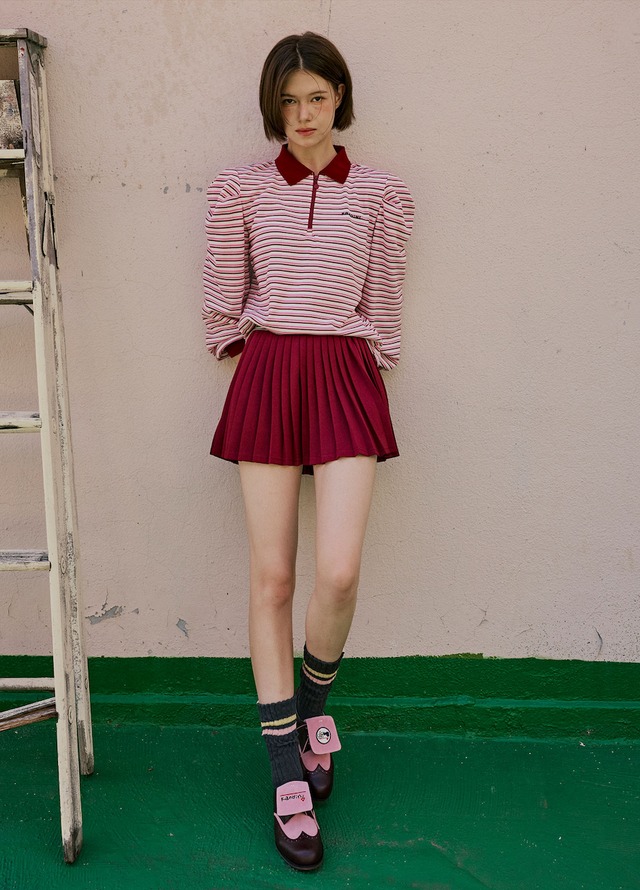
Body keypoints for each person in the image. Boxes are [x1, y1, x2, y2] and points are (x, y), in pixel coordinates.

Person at [202, 31, 414, 872]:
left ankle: (315, 703)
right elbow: (222, 297)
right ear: (273, 107)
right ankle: (286, 769)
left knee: (338, 572)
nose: (303, 115)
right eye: (288, 101)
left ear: (340, 97)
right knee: (273, 579)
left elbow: (385, 301)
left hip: (344, 372)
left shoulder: (384, 194)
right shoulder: (239, 190)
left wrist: (364, 359)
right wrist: (250, 351)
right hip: (269, 372)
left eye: (317, 98)